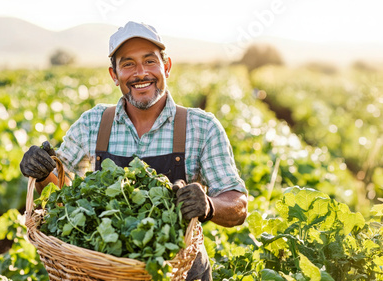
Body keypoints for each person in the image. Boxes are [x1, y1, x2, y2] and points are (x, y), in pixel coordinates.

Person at [20, 21, 248, 281]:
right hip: (102, 268)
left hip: (178, 271)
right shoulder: (92, 123)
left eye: (150, 61)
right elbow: (62, 197)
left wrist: (209, 205)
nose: (141, 73)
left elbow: (238, 204)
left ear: (167, 67)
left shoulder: (202, 127)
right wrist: (42, 174)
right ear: (114, 75)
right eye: (128, 64)